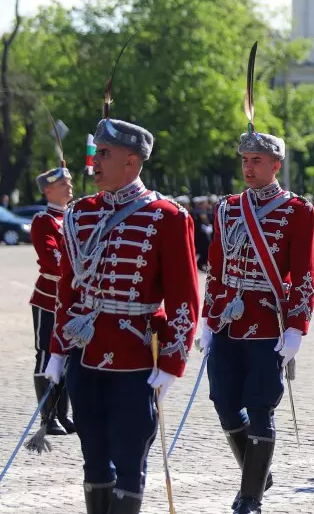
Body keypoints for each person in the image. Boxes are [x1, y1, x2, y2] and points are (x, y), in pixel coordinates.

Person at [43, 116, 200, 514]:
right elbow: (68, 288)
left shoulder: (168, 217)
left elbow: (184, 297)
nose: (94, 162)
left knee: (130, 459)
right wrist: (58, 351)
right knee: (93, 455)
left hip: (136, 356)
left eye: (105, 154)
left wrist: (172, 362)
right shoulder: (79, 215)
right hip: (87, 353)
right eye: (97, 152)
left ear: (132, 162)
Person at [200, 128, 314, 514]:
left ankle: (250, 496)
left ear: (275, 165)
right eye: (244, 161)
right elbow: (215, 267)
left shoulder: (297, 210)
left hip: (268, 321)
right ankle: (258, 470)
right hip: (226, 319)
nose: (248, 168)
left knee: (260, 407)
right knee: (223, 402)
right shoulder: (227, 208)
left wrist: (297, 326)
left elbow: (304, 273)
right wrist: (207, 318)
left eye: (256, 161)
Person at [29, 165, 76, 437]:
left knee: (67, 355)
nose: (69, 186)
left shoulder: (72, 218)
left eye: (69, 182)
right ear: (48, 190)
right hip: (49, 299)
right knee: (46, 354)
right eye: (62, 183)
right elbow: (51, 258)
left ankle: (62, 413)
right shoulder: (43, 221)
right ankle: (47, 418)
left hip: (70, 300)